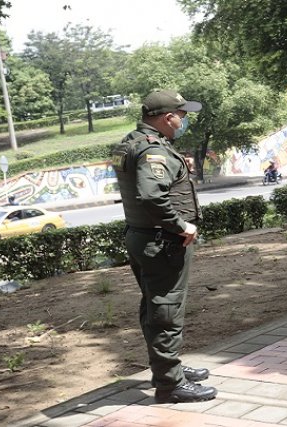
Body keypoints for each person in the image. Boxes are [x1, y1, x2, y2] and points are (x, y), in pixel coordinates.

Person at [111, 90, 217, 403]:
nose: (183, 121)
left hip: (142, 236)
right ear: (166, 117)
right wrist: (181, 225)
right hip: (163, 242)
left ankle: (168, 369)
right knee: (166, 312)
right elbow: (151, 195)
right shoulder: (153, 151)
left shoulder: (132, 141)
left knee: (155, 308)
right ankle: (170, 385)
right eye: (181, 115)